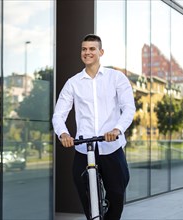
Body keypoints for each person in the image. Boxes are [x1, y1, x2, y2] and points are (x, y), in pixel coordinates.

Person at [52, 34, 135, 220]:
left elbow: (129, 108)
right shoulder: (73, 83)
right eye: (84, 49)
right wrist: (63, 133)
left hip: (111, 147)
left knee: (116, 195)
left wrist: (117, 130)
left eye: (92, 49)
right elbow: (59, 114)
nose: (87, 52)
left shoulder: (116, 78)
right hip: (84, 147)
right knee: (86, 196)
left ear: (101, 52)